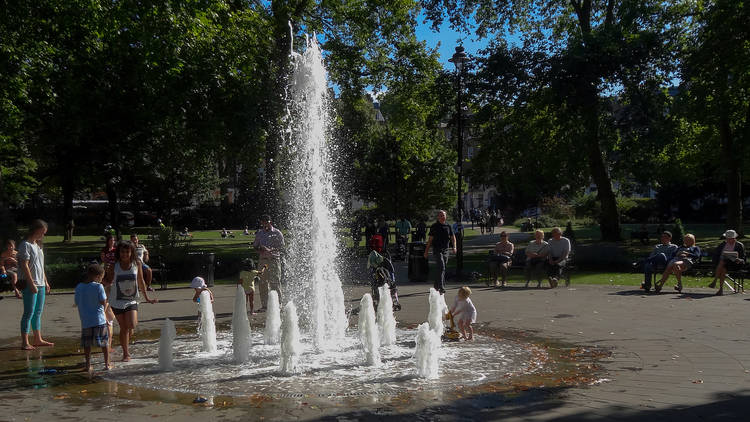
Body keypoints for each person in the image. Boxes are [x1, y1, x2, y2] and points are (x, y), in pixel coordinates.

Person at [104, 240, 157, 361]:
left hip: (132, 299)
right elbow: (108, 281)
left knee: (131, 324)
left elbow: (141, 281)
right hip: (116, 300)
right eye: (122, 252)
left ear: (131, 252)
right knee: (124, 327)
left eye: (127, 251)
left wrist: (147, 298)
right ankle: (126, 353)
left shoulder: (136, 263)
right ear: (119, 252)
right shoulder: (114, 265)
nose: (124, 254)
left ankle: (126, 338)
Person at [18, 219, 54, 350]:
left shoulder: (38, 246)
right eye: (42, 232)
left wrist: (45, 281)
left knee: (38, 312)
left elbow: (40, 266)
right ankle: (25, 342)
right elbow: (24, 265)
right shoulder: (25, 245)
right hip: (30, 284)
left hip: (41, 283)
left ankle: (38, 339)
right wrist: (31, 283)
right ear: (36, 229)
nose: (43, 235)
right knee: (29, 312)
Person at [74, 263, 111, 371]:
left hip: (85, 320)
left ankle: (88, 364)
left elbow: (76, 302)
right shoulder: (98, 286)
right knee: (104, 343)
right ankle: (107, 364)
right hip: (99, 319)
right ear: (97, 276)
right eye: (101, 278)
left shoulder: (79, 287)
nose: (101, 280)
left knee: (87, 344)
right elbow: (103, 302)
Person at [253, 215, 285, 311]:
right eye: (263, 223)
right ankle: (265, 306)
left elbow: (282, 247)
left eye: (266, 223)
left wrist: (271, 250)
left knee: (275, 282)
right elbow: (255, 246)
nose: (264, 225)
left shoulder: (277, 233)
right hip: (263, 260)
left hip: (274, 260)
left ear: (270, 222)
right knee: (263, 283)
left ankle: (278, 305)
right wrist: (260, 249)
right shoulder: (259, 233)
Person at [423, 210, 456, 294]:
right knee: (441, 266)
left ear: (445, 217)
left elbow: (453, 238)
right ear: (438, 217)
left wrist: (454, 247)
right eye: (440, 215)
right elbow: (430, 240)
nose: (442, 217)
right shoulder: (434, 226)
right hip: (437, 249)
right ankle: (441, 287)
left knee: (442, 267)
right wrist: (426, 252)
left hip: (446, 250)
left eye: (443, 215)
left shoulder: (448, 226)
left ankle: (436, 285)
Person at [710, 229, 745, 296]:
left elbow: (743, 258)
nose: (729, 240)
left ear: (734, 238)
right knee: (723, 268)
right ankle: (721, 290)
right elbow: (715, 254)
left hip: (734, 264)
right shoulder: (723, 244)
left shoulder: (739, 245)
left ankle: (715, 281)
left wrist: (739, 260)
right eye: (728, 238)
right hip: (723, 264)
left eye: (731, 238)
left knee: (722, 262)